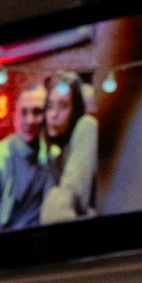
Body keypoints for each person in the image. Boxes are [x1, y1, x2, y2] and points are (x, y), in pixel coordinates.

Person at [40, 68, 101, 223]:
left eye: (63, 106)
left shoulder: (87, 126)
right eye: (49, 106)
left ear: (76, 110)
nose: (53, 114)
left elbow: (71, 195)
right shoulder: (54, 152)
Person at [0, 78, 52, 231]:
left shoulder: (50, 157)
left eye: (37, 112)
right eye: (23, 112)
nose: (30, 120)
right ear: (15, 117)